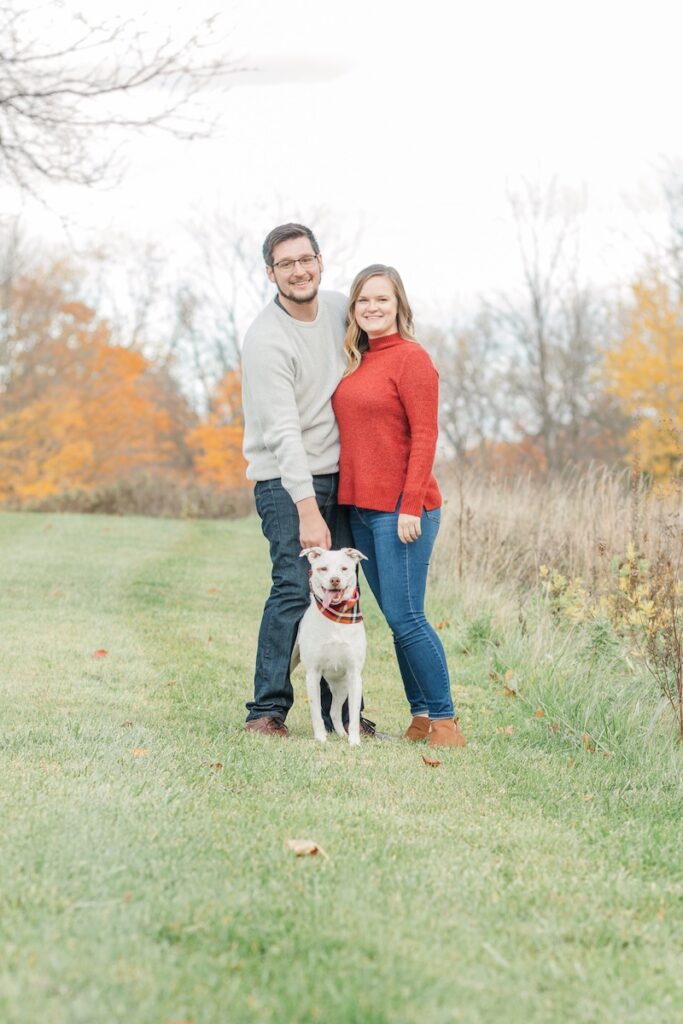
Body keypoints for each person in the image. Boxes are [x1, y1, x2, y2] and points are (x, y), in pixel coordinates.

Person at [240, 223, 378, 738]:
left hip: (339, 473)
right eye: (285, 263)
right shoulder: (267, 339)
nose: (298, 270)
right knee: (295, 588)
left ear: (320, 260)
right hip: (286, 480)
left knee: (341, 588)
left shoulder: (343, 309)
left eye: (305, 259)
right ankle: (267, 711)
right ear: (270, 273)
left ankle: (345, 714)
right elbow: (283, 434)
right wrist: (306, 508)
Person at [332, 264, 467, 748]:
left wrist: (410, 504)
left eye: (381, 300)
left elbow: (426, 433)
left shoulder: (412, 358)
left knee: (408, 615)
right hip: (360, 511)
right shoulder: (355, 360)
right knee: (395, 616)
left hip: (403, 510)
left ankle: (447, 724)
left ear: (398, 306)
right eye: (363, 300)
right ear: (353, 308)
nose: (372, 307)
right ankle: (420, 718)